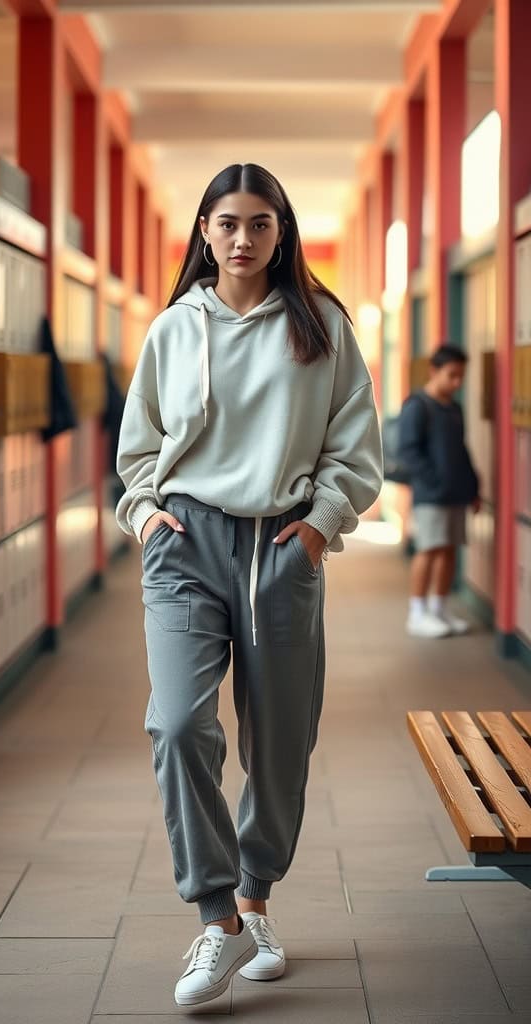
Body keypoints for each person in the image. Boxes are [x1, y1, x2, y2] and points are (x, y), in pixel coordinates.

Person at [116, 163, 383, 1008]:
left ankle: (255, 897)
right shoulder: (172, 330)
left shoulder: (323, 325)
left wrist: (315, 529)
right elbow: (136, 452)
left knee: (279, 744)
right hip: (186, 543)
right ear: (204, 231)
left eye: (260, 223)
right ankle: (217, 917)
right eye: (227, 223)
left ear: (282, 231)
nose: (242, 238)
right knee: (179, 724)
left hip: (281, 548)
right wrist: (146, 515)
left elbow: (356, 446)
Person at [398, 344, 480, 639]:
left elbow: (461, 450)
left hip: (456, 493)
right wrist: (433, 482)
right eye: (452, 375)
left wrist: (473, 486)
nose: (457, 383)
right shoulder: (417, 406)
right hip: (431, 495)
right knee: (429, 549)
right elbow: (408, 451)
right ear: (434, 371)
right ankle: (417, 613)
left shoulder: (454, 408)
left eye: (461, 377)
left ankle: (438, 609)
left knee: (448, 550)